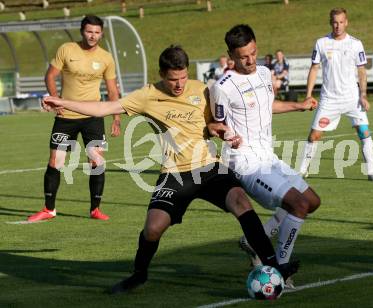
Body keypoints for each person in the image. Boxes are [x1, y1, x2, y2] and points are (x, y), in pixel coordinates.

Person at [41, 45, 299, 293]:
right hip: (175, 173)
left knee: (241, 202)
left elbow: (212, 125)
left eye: (184, 77)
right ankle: (139, 274)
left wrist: (222, 132)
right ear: (163, 75)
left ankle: (275, 265)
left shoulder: (201, 89)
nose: (180, 84)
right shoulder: (147, 95)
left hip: (209, 167)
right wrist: (62, 102)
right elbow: (105, 107)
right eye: (174, 79)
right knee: (153, 228)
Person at [209, 24, 321, 287]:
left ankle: (253, 240)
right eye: (243, 56)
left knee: (312, 201)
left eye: (253, 52)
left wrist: (298, 105)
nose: (250, 60)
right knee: (299, 205)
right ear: (230, 55)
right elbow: (217, 124)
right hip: (246, 163)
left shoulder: (264, 72)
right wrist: (228, 136)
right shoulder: (222, 87)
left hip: (268, 157)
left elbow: (267, 106)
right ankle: (282, 269)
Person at [27, 15, 121, 222]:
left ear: (101, 34)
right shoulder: (67, 49)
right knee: (55, 161)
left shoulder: (106, 57)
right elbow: (50, 75)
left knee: (97, 162)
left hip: (93, 116)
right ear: (82, 31)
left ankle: (95, 209)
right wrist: (55, 99)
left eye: (97, 32)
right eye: (89, 31)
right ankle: (49, 209)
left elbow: (113, 90)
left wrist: (116, 117)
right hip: (66, 117)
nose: (92, 36)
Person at [298, 8, 373, 181]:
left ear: (346, 22)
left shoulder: (356, 44)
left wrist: (363, 95)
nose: (338, 26)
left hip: (352, 98)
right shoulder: (321, 43)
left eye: (341, 22)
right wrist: (308, 94)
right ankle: (302, 172)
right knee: (314, 136)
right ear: (330, 23)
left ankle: (372, 171)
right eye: (335, 22)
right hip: (329, 99)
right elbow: (314, 68)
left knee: (364, 132)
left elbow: (362, 71)